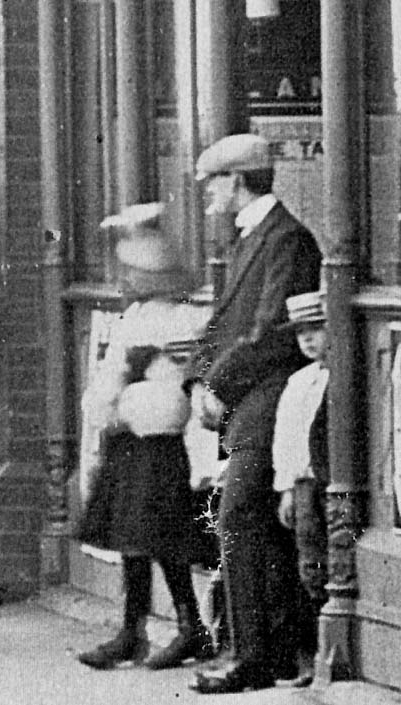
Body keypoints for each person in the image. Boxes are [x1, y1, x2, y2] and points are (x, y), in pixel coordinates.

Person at [187, 133, 323, 694]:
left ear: (238, 181)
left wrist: (216, 382)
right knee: (249, 521)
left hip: (270, 403)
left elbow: (269, 332)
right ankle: (262, 649)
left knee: (242, 515)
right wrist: (200, 378)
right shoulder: (250, 240)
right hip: (248, 405)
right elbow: (221, 322)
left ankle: (255, 655)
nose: (209, 196)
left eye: (215, 183)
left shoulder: (287, 240)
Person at [75, 202, 215, 671]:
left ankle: (186, 625)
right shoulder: (143, 317)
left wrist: (120, 391)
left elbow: (148, 385)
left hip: (160, 443)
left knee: (161, 539)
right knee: (137, 539)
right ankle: (134, 628)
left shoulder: (172, 320)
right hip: (136, 440)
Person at [271, 290, 330, 689]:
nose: (308, 340)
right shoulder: (299, 382)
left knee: (333, 563)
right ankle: (310, 657)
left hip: (332, 486)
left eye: (316, 330)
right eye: (301, 334)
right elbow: (287, 440)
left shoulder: (337, 378)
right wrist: (286, 488)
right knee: (309, 566)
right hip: (306, 485)